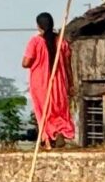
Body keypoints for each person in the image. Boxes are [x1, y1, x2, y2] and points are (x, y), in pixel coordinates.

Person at [23, 12, 76, 147]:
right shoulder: (61, 42)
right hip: (59, 83)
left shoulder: (35, 41)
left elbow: (26, 63)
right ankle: (59, 133)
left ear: (38, 26)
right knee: (60, 110)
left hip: (41, 83)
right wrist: (71, 84)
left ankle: (48, 137)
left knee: (44, 110)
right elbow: (68, 66)